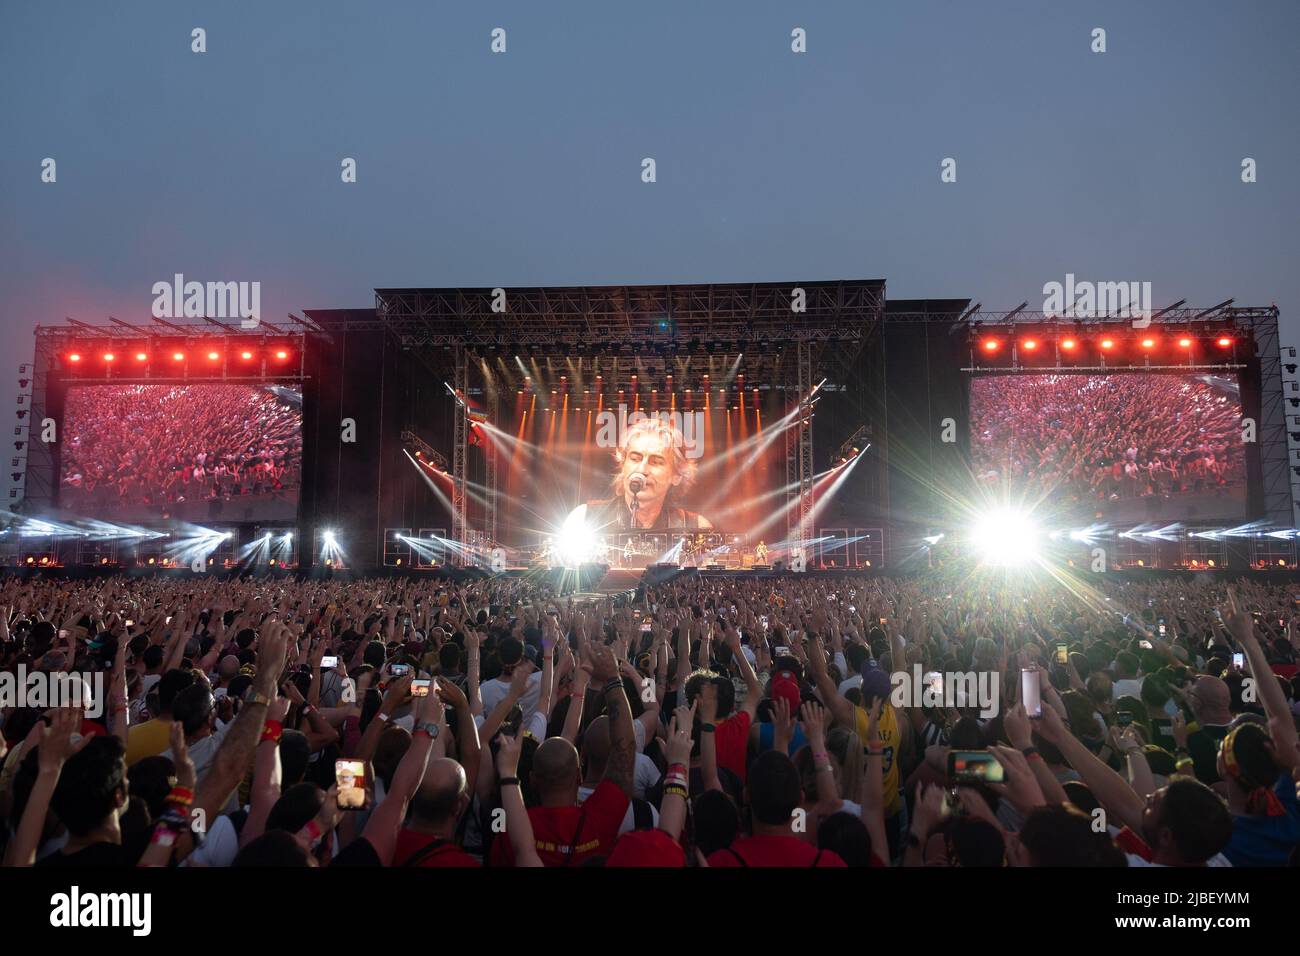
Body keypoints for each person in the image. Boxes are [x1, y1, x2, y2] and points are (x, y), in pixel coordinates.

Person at [565, 416, 712, 532]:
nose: (642, 469)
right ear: (623, 465)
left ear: (677, 476)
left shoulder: (697, 527)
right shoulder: (583, 519)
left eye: (656, 462)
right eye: (635, 458)